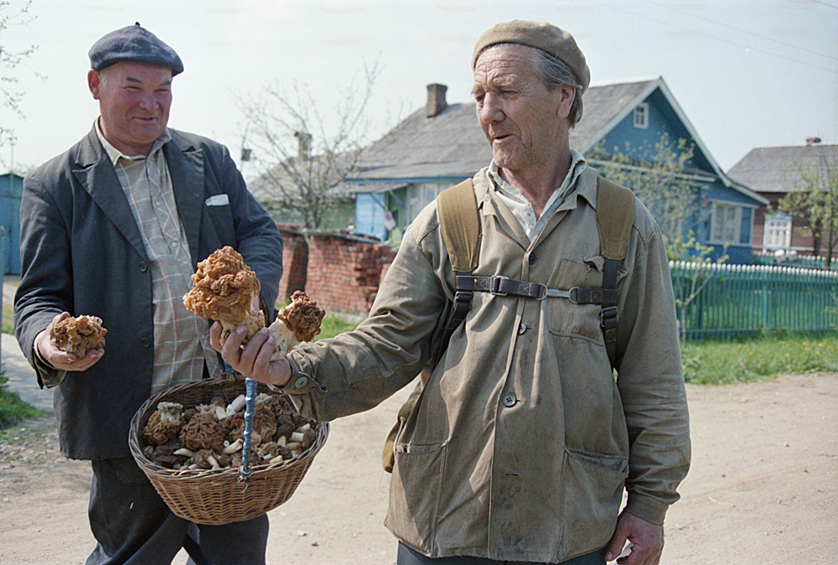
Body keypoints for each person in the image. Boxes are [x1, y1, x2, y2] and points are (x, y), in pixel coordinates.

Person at [215, 20, 690, 565]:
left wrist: (650, 504)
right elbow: (386, 344)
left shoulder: (622, 225)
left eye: (507, 92)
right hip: (443, 519)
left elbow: (653, 375)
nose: (488, 112)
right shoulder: (448, 219)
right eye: (480, 96)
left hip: (569, 526)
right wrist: (291, 370)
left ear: (565, 98)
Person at [14, 23, 284, 565]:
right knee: (131, 556)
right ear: (95, 84)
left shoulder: (209, 160)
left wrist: (249, 293)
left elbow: (260, 233)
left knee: (238, 556)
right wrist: (48, 342)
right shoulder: (57, 183)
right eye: (133, 87)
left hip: (224, 401)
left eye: (162, 90)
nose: (150, 103)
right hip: (129, 416)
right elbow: (38, 296)